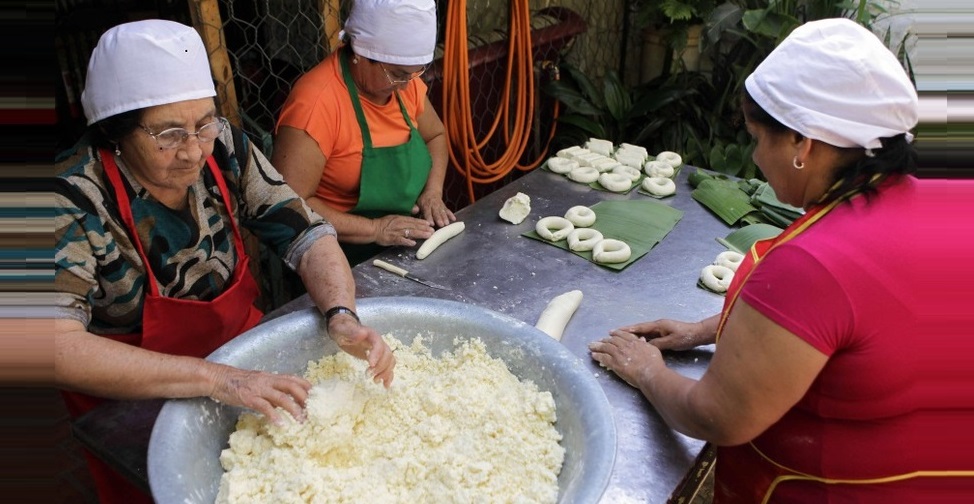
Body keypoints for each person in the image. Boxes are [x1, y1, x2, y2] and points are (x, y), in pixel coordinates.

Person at [589, 18, 974, 503]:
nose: (754, 156)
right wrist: (704, 330)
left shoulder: (812, 263)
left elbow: (718, 417)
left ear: (801, 144)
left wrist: (646, 369)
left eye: (757, 137)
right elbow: (858, 322)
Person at [52, 20, 396, 503]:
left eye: (203, 124)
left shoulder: (226, 149)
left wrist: (342, 315)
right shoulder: (69, 201)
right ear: (117, 131)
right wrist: (219, 379)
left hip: (245, 359)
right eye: (168, 133)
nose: (193, 151)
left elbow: (307, 231)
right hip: (133, 398)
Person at [272, 0, 455, 266]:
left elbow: (435, 136)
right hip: (335, 254)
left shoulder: (405, 85)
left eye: (414, 74)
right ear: (359, 52)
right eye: (396, 74)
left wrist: (432, 192)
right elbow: (289, 204)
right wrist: (376, 230)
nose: (405, 86)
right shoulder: (315, 104)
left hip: (403, 242)